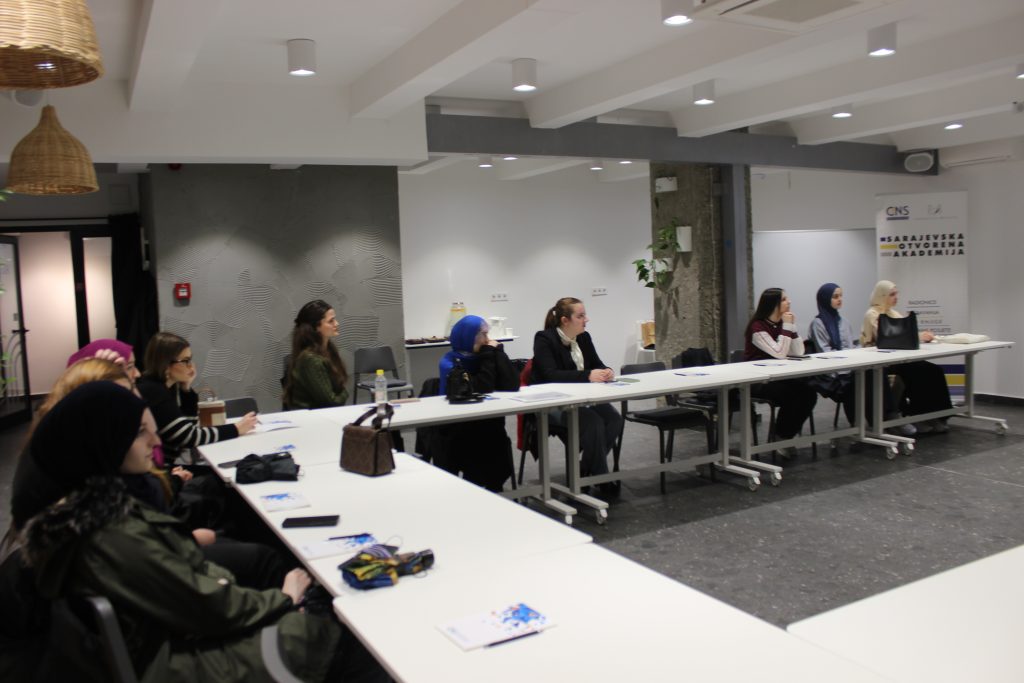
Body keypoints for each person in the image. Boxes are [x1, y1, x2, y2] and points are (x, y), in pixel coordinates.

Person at [10, 382, 385, 682]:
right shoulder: (111, 534)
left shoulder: (94, 515)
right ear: (103, 443)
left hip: (175, 644)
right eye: (140, 433)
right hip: (182, 663)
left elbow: (192, 590)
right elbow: (208, 607)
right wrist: (283, 599)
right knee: (345, 638)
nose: (156, 442)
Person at [532, 297, 622, 497]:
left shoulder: (583, 337)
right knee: (593, 422)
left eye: (585, 315)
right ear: (565, 320)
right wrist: (588, 375)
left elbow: (597, 363)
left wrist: (606, 370)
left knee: (614, 419)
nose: (586, 320)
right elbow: (550, 375)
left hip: (582, 399)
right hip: (552, 403)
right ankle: (601, 478)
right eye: (580, 316)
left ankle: (583, 470)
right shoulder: (544, 339)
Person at [808, 283, 914, 436]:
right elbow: (825, 353)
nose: (839, 299)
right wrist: (851, 357)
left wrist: (859, 352)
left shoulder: (843, 321)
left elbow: (852, 345)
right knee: (868, 377)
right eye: (835, 296)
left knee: (876, 371)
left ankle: (884, 419)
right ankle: (884, 420)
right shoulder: (817, 324)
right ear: (825, 299)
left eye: (841, 296)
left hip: (851, 367)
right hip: (833, 375)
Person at [137, 331, 258, 464]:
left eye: (190, 359)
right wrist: (235, 429)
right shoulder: (153, 391)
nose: (191, 366)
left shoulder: (167, 387)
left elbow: (190, 425)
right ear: (166, 364)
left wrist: (186, 388)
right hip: (156, 470)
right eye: (185, 361)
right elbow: (189, 437)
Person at [435, 315, 519, 491]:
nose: (488, 340)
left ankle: (492, 487)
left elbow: (512, 384)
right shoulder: (450, 362)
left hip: (488, 423)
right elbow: (481, 387)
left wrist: (499, 353)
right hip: (459, 427)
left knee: (495, 443)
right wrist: (489, 355)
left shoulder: (485, 355)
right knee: (480, 446)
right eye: (483, 334)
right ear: (468, 337)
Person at [861, 280, 952, 432]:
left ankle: (936, 415)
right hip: (881, 361)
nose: (896, 297)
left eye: (896, 294)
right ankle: (915, 415)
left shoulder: (892, 313)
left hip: (899, 359)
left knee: (933, 370)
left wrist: (921, 335)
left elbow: (905, 334)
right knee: (917, 371)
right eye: (892, 294)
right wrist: (918, 336)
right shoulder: (872, 314)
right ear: (882, 295)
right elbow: (889, 337)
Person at [743, 288, 818, 458]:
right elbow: (780, 353)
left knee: (809, 393)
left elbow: (798, 351)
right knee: (792, 395)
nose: (788, 302)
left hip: (778, 377)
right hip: (758, 381)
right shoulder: (757, 327)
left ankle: (783, 435)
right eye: (784, 299)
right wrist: (788, 327)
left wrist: (792, 327)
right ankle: (780, 437)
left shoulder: (781, 324)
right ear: (773, 304)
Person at [284, 300, 349, 409]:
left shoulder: (328, 350)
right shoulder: (311, 359)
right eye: (331, 321)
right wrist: (345, 393)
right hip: (309, 415)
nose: (336, 323)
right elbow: (330, 402)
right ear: (316, 327)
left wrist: (341, 393)